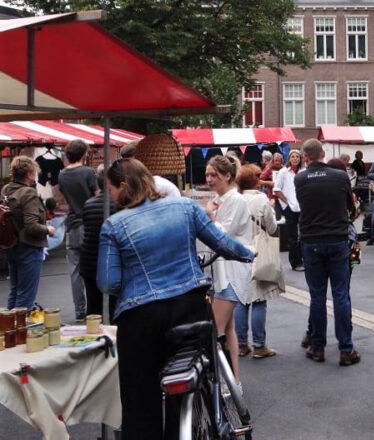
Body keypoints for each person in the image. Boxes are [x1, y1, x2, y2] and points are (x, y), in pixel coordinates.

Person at [97, 158, 251, 439]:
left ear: (124, 186)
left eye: (111, 189)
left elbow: (108, 282)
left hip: (140, 318)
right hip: (189, 309)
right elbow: (223, 244)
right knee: (190, 378)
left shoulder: (114, 225)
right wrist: (246, 254)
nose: (110, 196)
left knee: (140, 398)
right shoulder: (186, 207)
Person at [295, 138, 360, 366]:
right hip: (337, 239)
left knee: (317, 296)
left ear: (305, 157)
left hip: (311, 240)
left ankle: (318, 346)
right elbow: (350, 208)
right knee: (341, 294)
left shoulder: (300, 179)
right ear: (323, 153)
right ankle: (345, 349)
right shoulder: (340, 176)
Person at [204, 154, 252, 386]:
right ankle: (234, 383)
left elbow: (222, 236)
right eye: (207, 175)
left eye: (214, 174)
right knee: (228, 329)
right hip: (221, 272)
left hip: (231, 273)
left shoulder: (236, 201)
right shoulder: (219, 199)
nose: (209, 179)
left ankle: (222, 384)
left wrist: (209, 215)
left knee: (214, 331)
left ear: (227, 175)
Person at [234, 163, 281, 359]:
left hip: (236, 252)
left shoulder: (234, 199)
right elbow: (271, 227)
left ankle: (241, 344)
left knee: (241, 301)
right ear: (256, 179)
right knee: (259, 300)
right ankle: (259, 345)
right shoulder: (261, 199)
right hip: (258, 251)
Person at [2, 156, 55, 309]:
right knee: (26, 296)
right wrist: (48, 229)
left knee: (15, 290)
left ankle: (8, 329)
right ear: (30, 174)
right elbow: (31, 225)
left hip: (12, 245)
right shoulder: (28, 193)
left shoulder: (6, 189)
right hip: (29, 247)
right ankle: (20, 330)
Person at [58, 139, 97, 322]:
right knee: (94, 267)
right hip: (89, 224)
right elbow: (98, 197)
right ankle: (95, 308)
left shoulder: (62, 175)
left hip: (72, 224)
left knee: (74, 270)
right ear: (84, 153)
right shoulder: (89, 172)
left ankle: (80, 311)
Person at [81, 164, 117, 320]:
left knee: (94, 307)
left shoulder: (88, 204)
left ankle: (95, 338)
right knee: (114, 304)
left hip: (90, 261)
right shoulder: (119, 205)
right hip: (111, 261)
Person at [274, 150, 303, 270]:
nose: (295, 159)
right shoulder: (283, 172)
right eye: (293, 157)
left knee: (304, 234)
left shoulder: (303, 172)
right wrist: (286, 203)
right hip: (289, 207)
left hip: (302, 206)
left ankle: (303, 258)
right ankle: (295, 262)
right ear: (289, 159)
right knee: (292, 236)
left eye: (297, 157)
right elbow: (276, 189)